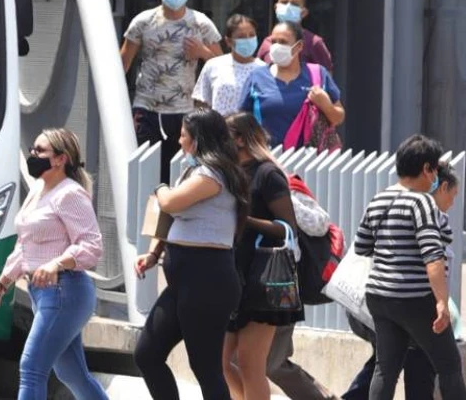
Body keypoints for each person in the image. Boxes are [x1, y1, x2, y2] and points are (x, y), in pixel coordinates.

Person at [133, 108, 250, 400]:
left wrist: (160, 188)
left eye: (184, 135)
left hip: (207, 282)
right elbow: (172, 219)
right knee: (147, 353)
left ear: (198, 139)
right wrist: (153, 253)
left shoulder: (215, 175)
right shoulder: (194, 171)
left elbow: (170, 203)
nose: (180, 140)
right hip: (182, 283)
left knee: (206, 368)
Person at [0, 128, 108, 400]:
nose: (33, 155)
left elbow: (92, 245)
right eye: (32, 150)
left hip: (65, 291)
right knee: (72, 375)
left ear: (60, 159)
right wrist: (2, 282)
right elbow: (26, 244)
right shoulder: (39, 189)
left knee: (31, 368)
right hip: (44, 293)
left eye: (40, 151)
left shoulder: (70, 194)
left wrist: (56, 264)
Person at [353, 134, 466, 400]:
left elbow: (362, 246)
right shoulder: (421, 202)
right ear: (427, 169)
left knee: (386, 369)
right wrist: (441, 302)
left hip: (379, 296)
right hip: (414, 297)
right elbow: (433, 254)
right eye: (435, 170)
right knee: (449, 366)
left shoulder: (379, 198)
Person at [222, 113, 302, 400]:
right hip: (235, 276)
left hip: (263, 281)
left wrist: (246, 221)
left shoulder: (268, 174)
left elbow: (287, 229)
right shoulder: (230, 174)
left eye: (225, 136)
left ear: (240, 139)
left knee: (249, 363)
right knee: (221, 362)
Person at [121, 0, 223, 183]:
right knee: (144, 174)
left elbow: (222, 65)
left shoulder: (201, 23)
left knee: (180, 172)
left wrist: (202, 52)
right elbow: (123, 63)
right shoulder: (143, 21)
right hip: (147, 108)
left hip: (184, 111)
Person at [240, 21, 344, 149]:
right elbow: (242, 121)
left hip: (309, 161)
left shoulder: (317, 74)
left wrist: (326, 105)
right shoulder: (257, 77)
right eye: (274, 42)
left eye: (283, 42)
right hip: (267, 159)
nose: (277, 46)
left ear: (299, 46)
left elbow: (338, 117)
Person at [193, 15, 266, 116]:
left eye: (251, 35)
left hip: (251, 130)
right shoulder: (214, 65)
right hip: (219, 129)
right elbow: (201, 103)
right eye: (241, 36)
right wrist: (202, 125)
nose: (248, 39)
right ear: (228, 41)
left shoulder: (264, 69)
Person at [257, 0, 333, 71]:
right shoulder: (267, 43)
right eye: (284, 2)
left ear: (303, 13)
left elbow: (327, 77)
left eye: (294, 4)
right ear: (276, 8)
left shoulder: (314, 43)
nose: (288, 7)